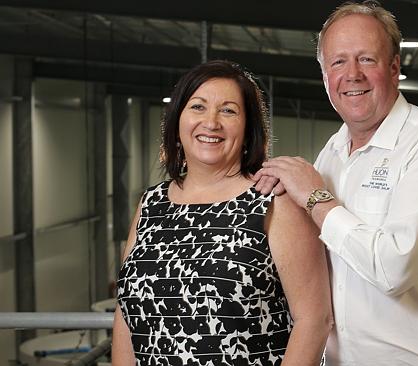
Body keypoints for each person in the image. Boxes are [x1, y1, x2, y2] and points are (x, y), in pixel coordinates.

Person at [254, 2, 418, 365]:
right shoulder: (332, 153)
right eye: (338, 62)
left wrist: (315, 199)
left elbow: (394, 269)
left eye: (366, 59)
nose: (352, 74)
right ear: (325, 75)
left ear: (394, 69)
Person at [112, 60, 332, 366]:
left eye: (228, 110)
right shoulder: (150, 203)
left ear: (248, 129)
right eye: (198, 107)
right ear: (177, 120)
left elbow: (314, 320)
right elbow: (126, 314)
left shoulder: (273, 200)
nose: (211, 122)